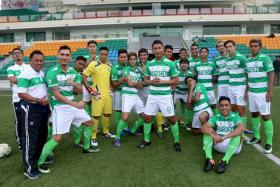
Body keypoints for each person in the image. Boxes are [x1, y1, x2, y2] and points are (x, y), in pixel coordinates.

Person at [37, 45, 95, 174]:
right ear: (58, 55)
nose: (64, 57)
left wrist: (74, 84)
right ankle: (39, 163)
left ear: (70, 57)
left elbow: (79, 90)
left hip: (72, 104)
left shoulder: (73, 73)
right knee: (57, 137)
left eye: (67, 55)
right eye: (62, 54)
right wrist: (75, 104)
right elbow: (57, 94)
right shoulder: (52, 72)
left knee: (90, 122)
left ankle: (86, 147)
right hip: (60, 106)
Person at [137, 40, 181, 152]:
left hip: (165, 96)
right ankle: (147, 140)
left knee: (171, 119)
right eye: (155, 48)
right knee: (147, 118)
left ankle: (177, 141)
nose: (157, 50)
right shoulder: (149, 64)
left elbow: (176, 81)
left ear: (163, 49)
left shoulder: (170, 63)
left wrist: (162, 82)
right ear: (152, 50)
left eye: (159, 48)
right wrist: (152, 82)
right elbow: (146, 81)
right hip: (152, 96)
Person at [17, 50, 50, 179]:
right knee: (30, 139)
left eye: (41, 61)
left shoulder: (41, 73)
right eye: (36, 60)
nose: (39, 63)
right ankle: (29, 169)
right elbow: (21, 94)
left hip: (43, 108)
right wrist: (38, 100)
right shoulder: (25, 74)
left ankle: (37, 162)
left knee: (42, 136)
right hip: (31, 108)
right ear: (30, 60)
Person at [246, 39, 275, 154]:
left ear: (260, 47)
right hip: (252, 93)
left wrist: (270, 91)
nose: (253, 48)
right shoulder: (248, 60)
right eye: (251, 46)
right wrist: (247, 90)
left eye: (255, 46)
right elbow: (248, 76)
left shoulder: (265, 58)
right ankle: (257, 137)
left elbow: (271, 74)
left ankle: (269, 142)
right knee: (254, 114)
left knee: (266, 116)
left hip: (262, 93)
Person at [201, 96, 244, 174]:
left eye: (226, 105)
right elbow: (203, 128)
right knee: (207, 131)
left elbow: (241, 128)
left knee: (238, 134)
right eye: (221, 105)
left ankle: (224, 161)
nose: (224, 107)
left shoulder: (235, 116)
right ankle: (209, 159)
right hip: (218, 143)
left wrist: (225, 137)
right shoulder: (216, 117)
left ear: (230, 106)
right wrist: (214, 136)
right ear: (218, 107)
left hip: (233, 147)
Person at [83, 47, 115, 150]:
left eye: (106, 54)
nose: (104, 56)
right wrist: (91, 90)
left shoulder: (110, 65)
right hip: (98, 95)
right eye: (102, 54)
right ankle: (93, 136)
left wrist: (111, 88)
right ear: (99, 54)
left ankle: (105, 132)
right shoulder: (93, 64)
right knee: (96, 116)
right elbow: (84, 78)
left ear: (108, 55)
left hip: (108, 95)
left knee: (107, 114)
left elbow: (110, 79)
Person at [114, 52, 145, 147]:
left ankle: (133, 130)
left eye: (134, 59)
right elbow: (130, 84)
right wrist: (137, 83)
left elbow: (141, 86)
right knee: (125, 117)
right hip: (127, 95)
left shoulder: (139, 71)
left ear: (136, 60)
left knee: (145, 116)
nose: (132, 61)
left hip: (135, 95)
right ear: (128, 60)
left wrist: (136, 83)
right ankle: (117, 138)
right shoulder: (126, 69)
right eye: (130, 59)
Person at [224, 40, 248, 132]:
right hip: (230, 87)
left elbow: (248, 74)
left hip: (240, 87)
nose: (228, 48)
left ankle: (243, 129)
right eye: (227, 47)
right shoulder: (227, 59)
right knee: (232, 108)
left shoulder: (242, 58)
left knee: (241, 109)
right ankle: (235, 125)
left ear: (235, 46)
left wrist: (246, 89)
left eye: (230, 46)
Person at [7, 48, 27, 150]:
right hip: (17, 98)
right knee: (19, 121)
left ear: (23, 55)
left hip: (28, 97)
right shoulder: (10, 68)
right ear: (13, 56)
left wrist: (20, 79)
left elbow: (17, 79)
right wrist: (26, 80)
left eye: (19, 53)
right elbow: (13, 80)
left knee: (29, 120)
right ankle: (20, 141)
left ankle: (28, 139)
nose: (17, 55)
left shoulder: (28, 67)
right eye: (14, 53)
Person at [194, 47, 218, 115]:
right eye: (202, 52)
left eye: (205, 52)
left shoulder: (212, 64)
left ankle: (216, 118)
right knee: (200, 105)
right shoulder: (197, 65)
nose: (203, 53)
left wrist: (210, 84)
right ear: (199, 54)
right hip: (200, 89)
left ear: (208, 53)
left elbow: (214, 76)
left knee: (213, 104)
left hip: (210, 88)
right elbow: (196, 76)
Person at [72, 56, 88, 148]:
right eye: (79, 64)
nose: (81, 66)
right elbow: (75, 91)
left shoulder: (80, 74)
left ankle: (77, 142)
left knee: (79, 121)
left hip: (77, 102)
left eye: (83, 65)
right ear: (75, 62)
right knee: (53, 124)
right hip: (64, 102)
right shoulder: (70, 72)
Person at [173, 59, 194, 126]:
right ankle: (171, 121)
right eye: (182, 63)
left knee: (188, 107)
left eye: (185, 63)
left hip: (185, 93)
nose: (184, 64)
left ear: (188, 65)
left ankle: (187, 121)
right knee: (172, 106)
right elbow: (172, 82)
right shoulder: (176, 72)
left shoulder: (190, 74)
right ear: (179, 65)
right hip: (176, 92)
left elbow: (191, 85)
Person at [111, 49, 128, 128]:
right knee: (118, 110)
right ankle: (119, 128)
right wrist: (122, 80)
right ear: (118, 58)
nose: (123, 59)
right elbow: (114, 85)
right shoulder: (115, 69)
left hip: (127, 92)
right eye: (121, 57)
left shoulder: (129, 66)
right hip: (118, 92)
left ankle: (125, 127)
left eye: (125, 57)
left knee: (126, 110)